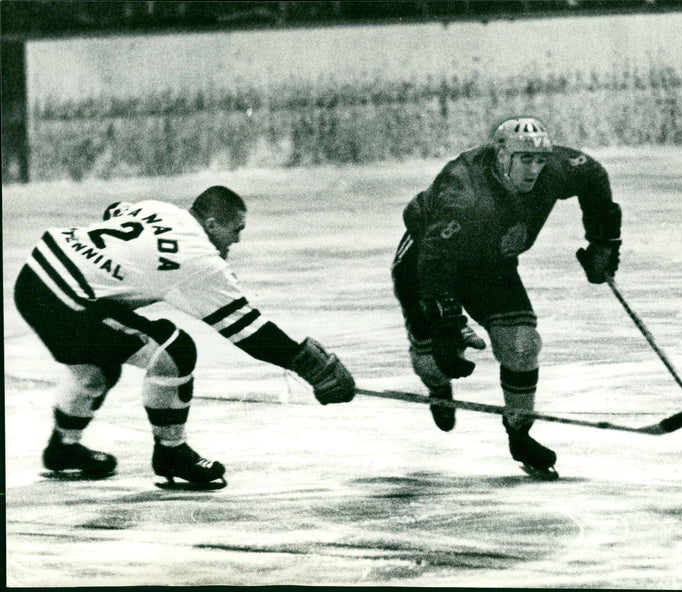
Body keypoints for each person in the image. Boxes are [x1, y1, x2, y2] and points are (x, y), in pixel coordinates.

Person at [14, 185, 355, 489]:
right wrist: (307, 364)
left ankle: (63, 449)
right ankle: (172, 454)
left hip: (35, 275)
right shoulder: (201, 261)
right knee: (174, 350)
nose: (237, 240)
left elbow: (115, 210)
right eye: (236, 230)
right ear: (211, 225)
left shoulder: (161, 209)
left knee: (99, 365)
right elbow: (248, 331)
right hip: (64, 297)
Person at [391, 116, 621, 477]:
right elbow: (434, 262)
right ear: (500, 155)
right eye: (524, 160)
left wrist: (603, 242)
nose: (534, 170)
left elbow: (592, 175)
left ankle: (519, 431)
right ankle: (437, 385)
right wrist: (448, 323)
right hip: (426, 263)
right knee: (435, 361)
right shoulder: (462, 192)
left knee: (522, 345)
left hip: (491, 267)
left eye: (539, 160)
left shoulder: (555, 170)